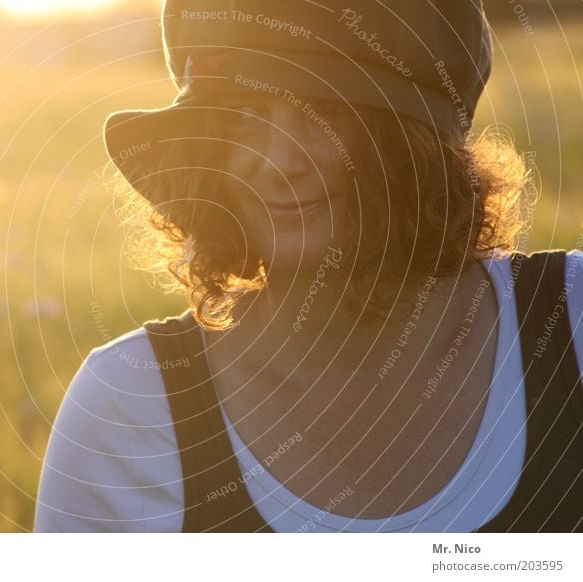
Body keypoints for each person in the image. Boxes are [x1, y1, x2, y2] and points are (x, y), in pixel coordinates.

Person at [35, 0, 583, 532]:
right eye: (245, 117)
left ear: (414, 145)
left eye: (325, 116)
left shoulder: (572, 322)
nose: (277, 165)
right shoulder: (130, 410)